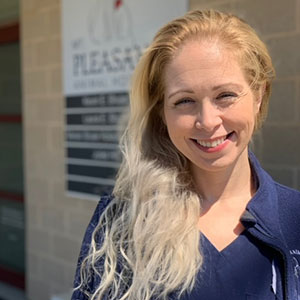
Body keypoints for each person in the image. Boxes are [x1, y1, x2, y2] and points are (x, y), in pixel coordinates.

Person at [71, 9, 300, 300]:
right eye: (185, 101)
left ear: (258, 96)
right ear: (162, 113)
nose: (207, 120)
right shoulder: (121, 223)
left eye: (225, 95)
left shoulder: (295, 218)